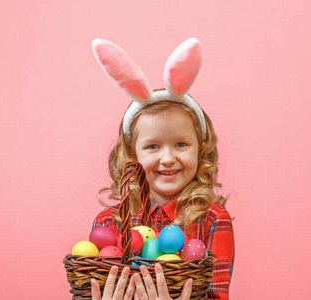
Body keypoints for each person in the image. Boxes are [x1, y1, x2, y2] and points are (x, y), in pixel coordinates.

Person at [89, 38, 235, 300]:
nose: (167, 159)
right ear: (132, 154)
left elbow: (217, 295)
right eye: (153, 146)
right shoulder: (110, 222)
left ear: (200, 149)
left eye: (181, 144)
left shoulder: (211, 219)